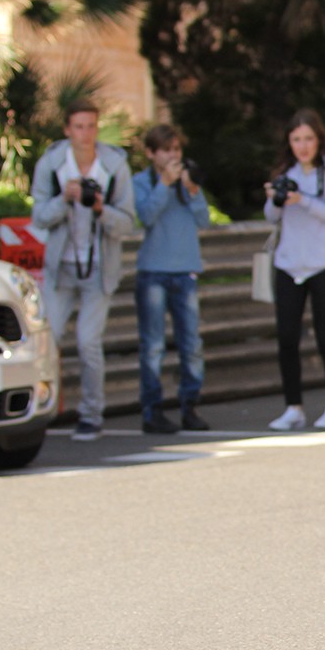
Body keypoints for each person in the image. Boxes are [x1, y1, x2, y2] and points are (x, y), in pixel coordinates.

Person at [30, 101, 135, 441]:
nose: (85, 134)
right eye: (79, 127)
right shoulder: (52, 163)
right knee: (49, 340)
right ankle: (41, 411)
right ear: (67, 129)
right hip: (61, 268)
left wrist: (101, 209)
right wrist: (65, 198)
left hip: (99, 268)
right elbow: (40, 218)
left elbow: (127, 224)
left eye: (91, 126)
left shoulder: (113, 164)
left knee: (89, 342)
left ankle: (91, 414)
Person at [262, 110, 325, 431]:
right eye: (296, 139)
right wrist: (275, 198)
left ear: (319, 140)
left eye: (308, 139)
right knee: (287, 337)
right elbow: (271, 217)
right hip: (289, 265)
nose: (303, 146)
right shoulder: (284, 172)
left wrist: (303, 200)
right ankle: (293, 407)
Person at [132, 123, 210, 434]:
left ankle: (190, 406)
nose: (173, 156)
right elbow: (146, 216)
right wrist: (164, 184)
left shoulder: (188, 180)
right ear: (151, 153)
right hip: (152, 271)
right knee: (152, 345)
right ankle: (152, 411)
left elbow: (204, 219)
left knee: (191, 344)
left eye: (176, 149)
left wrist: (191, 190)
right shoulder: (142, 181)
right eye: (166, 150)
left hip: (186, 270)